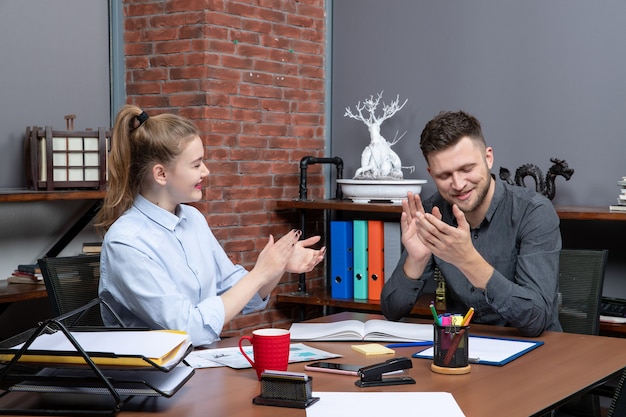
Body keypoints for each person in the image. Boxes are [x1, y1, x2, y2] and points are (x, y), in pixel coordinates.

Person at [96, 105, 326, 346]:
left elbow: (242, 294)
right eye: (196, 165)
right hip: (154, 379)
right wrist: (259, 273)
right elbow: (188, 330)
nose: (206, 171)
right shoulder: (126, 242)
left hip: (201, 365)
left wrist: (277, 264)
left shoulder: (193, 220)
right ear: (161, 174)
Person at [380, 110, 562, 337]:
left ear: (488, 158)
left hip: (538, 354)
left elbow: (536, 320)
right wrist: (416, 261)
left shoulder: (534, 212)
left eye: (467, 169)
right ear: (431, 174)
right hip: (463, 349)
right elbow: (391, 311)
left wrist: (468, 260)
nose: (458, 184)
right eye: (444, 176)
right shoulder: (432, 213)